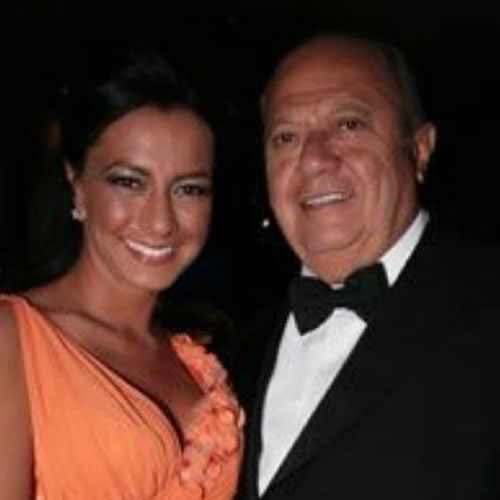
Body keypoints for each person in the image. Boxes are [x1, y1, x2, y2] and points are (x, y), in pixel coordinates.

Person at [233, 34, 499, 499]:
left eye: (349, 124)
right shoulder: (232, 357)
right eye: (286, 137)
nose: (314, 158)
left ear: (419, 148)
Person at [0, 46, 244, 500]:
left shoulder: (195, 358)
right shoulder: (13, 339)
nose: (160, 222)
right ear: (77, 186)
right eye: (129, 182)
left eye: (189, 189)